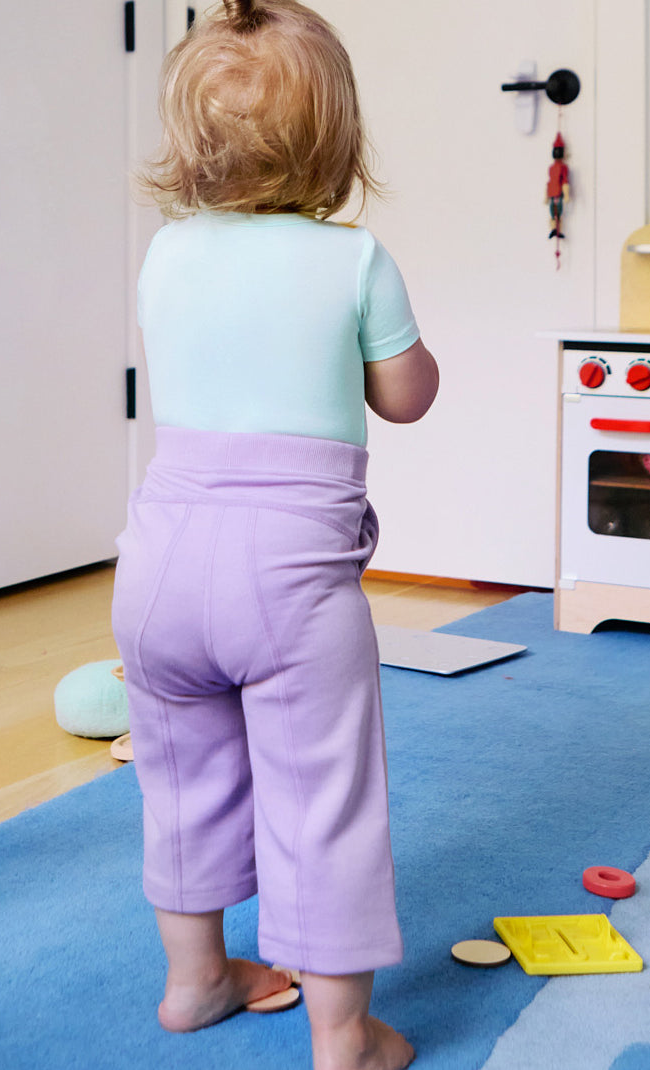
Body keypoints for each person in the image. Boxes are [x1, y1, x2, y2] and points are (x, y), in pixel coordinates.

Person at [111, 2, 438, 1067]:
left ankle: (197, 977)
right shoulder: (354, 261)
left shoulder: (163, 255)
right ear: (336, 141)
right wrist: (391, 352)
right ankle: (343, 1034)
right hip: (288, 586)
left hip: (158, 569)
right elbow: (405, 397)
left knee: (183, 777)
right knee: (322, 795)